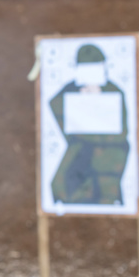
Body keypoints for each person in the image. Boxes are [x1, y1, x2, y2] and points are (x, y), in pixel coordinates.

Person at [49, 43, 129, 205]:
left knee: (103, 186)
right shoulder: (71, 88)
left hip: (110, 148)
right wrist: (79, 98)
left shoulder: (113, 90)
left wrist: (99, 99)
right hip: (81, 147)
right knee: (61, 184)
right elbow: (55, 106)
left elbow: (122, 130)